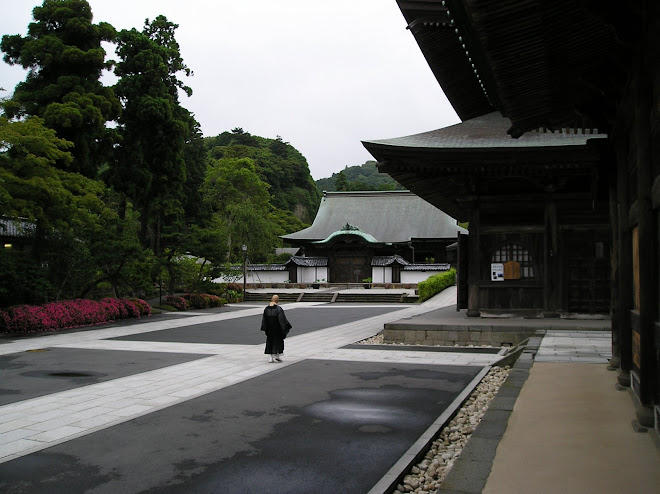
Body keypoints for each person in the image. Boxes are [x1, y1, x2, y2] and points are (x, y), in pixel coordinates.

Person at [260, 294, 292, 363]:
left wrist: (265, 328)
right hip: (277, 328)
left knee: (270, 342)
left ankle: (271, 357)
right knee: (278, 342)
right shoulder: (278, 309)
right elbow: (282, 319)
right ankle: (277, 355)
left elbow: (264, 320)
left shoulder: (266, 309)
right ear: (277, 300)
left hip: (269, 329)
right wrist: (284, 327)